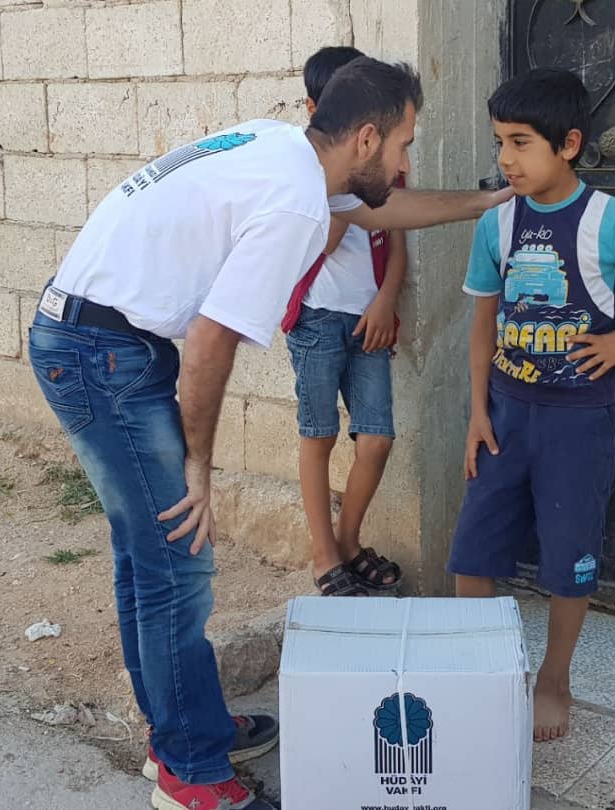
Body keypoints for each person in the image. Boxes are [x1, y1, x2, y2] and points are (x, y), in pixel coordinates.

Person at [27, 56, 513, 810]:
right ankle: (190, 772)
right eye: (403, 145)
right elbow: (210, 342)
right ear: (365, 138)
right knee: (177, 561)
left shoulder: (282, 148)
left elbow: (384, 211)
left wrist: (490, 200)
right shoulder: (294, 202)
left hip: (98, 339)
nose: (404, 163)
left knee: (149, 554)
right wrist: (198, 466)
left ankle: (184, 729)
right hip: (102, 354)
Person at [448, 68, 615, 744]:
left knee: (570, 560)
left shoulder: (609, 220)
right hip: (505, 417)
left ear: (568, 144)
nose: (506, 159)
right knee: (471, 556)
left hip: (578, 423)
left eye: (521, 143)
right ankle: (485, 676)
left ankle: (554, 678)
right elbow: (483, 326)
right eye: (499, 142)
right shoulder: (497, 223)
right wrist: (477, 412)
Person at [282, 46, 408, 598]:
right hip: (316, 319)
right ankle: (323, 555)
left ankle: (348, 541)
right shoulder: (306, 175)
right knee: (319, 435)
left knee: (376, 439)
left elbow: (398, 242)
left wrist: (386, 300)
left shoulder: (386, 167)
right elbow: (321, 244)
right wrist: (347, 184)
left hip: (368, 320)